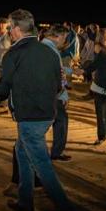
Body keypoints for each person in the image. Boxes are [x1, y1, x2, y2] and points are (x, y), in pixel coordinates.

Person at [0, 9, 79, 211]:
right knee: (22, 153)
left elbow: (4, 85)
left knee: (42, 164)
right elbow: (60, 84)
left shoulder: (13, 54)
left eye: (10, 28)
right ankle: (25, 201)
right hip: (47, 113)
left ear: (17, 29)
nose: (9, 32)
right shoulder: (49, 52)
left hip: (29, 116)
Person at [41, 25, 72, 161]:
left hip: (46, 91)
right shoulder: (51, 50)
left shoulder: (43, 46)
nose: (64, 41)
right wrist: (64, 94)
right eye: (64, 38)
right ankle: (56, 152)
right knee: (59, 121)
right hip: (52, 93)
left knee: (52, 121)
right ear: (58, 36)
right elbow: (59, 74)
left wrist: (71, 71)